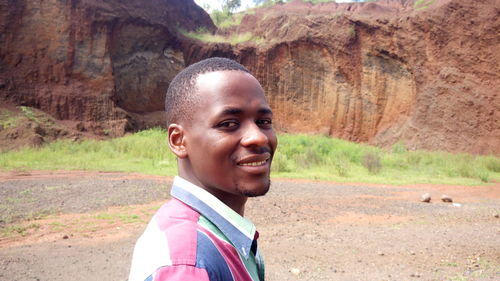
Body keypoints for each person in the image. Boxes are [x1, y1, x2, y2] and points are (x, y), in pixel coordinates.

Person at [128, 57, 277, 281]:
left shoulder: (215, 237)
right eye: (228, 124)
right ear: (178, 141)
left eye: (263, 121)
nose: (258, 136)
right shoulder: (188, 265)